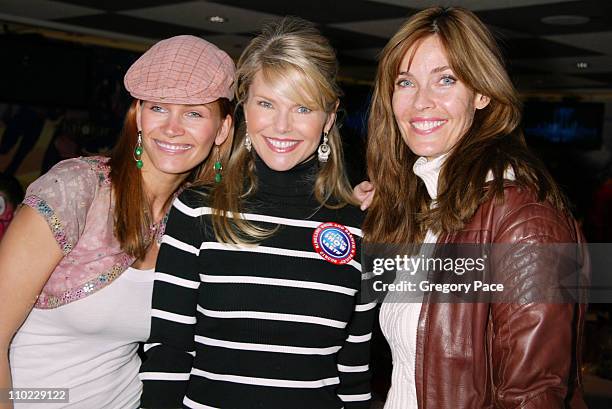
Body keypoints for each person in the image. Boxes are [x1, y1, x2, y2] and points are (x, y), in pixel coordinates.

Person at [140, 17, 375, 409]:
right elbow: (168, 351)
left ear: (329, 116)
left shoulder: (361, 224)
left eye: (303, 107)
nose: (282, 126)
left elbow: (354, 367)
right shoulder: (198, 209)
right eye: (267, 103)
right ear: (245, 106)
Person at [362, 6, 587, 409]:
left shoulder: (520, 218)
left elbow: (532, 397)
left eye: (445, 80)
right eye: (406, 82)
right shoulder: (430, 205)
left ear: (482, 93)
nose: (420, 103)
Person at [0, 35, 235, 408]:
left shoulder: (194, 217)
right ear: (138, 115)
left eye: (194, 112)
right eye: (159, 107)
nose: (172, 128)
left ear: (222, 129)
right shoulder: (77, 189)